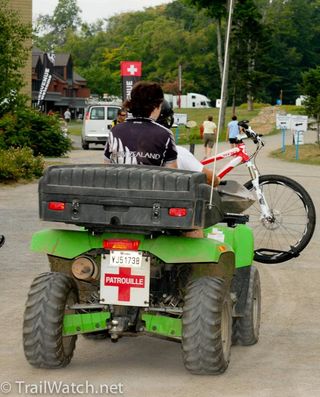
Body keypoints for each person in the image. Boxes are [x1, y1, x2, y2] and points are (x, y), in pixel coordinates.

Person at [104, 81, 177, 168]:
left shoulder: (115, 131)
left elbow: (106, 167)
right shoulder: (165, 134)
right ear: (156, 106)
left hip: (120, 180)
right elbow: (172, 173)